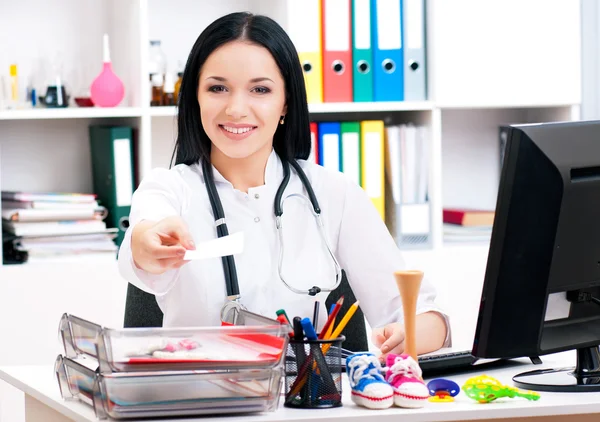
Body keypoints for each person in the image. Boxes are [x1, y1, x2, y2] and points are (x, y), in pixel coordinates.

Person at [118, 12, 449, 357]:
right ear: (195, 98)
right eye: (218, 88)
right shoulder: (169, 189)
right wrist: (147, 244)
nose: (236, 108)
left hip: (307, 402)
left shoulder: (334, 194)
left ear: (286, 102)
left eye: (260, 89)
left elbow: (421, 313)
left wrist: (412, 334)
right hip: (205, 403)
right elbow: (143, 238)